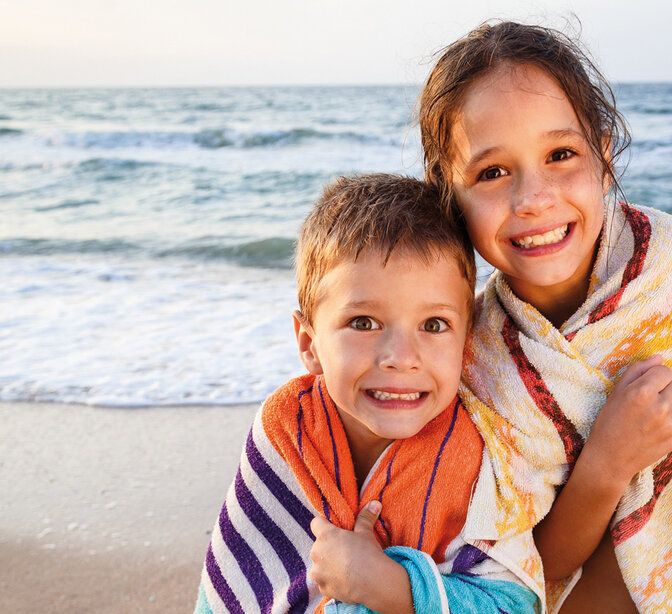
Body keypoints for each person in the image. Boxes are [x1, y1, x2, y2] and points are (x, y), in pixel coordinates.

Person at [418, 21, 672, 612]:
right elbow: (531, 568)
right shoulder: (477, 362)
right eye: (492, 172)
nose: (534, 198)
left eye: (561, 154)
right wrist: (607, 464)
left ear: (604, 155)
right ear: (449, 192)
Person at [195, 174, 543, 613]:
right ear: (309, 343)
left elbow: (514, 605)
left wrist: (390, 587)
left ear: (466, 343)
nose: (400, 357)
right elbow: (224, 591)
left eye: (433, 325)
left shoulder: (479, 457)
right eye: (363, 323)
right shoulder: (288, 428)